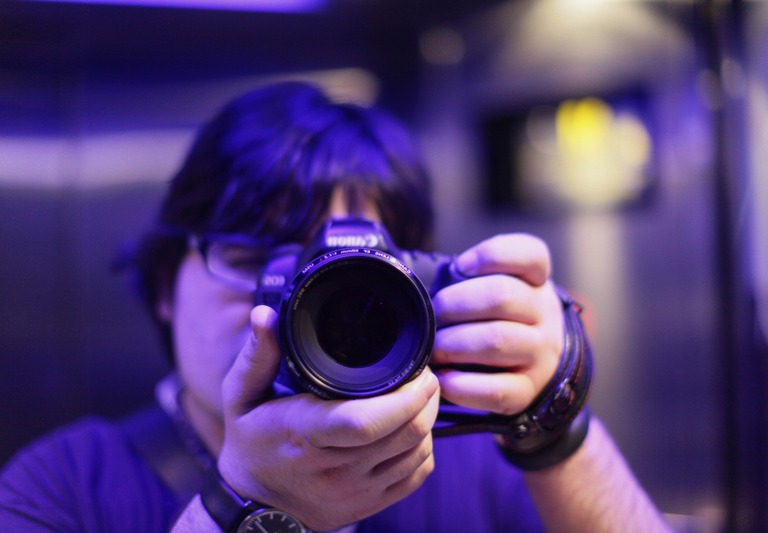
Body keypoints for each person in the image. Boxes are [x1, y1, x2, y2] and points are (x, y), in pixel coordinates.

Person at [0, 81, 670, 532]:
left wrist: (555, 422)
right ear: (164, 286)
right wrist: (245, 504)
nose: (285, 301)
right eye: (250, 257)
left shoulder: (476, 458)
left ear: (420, 296)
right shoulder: (63, 487)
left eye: (341, 279)